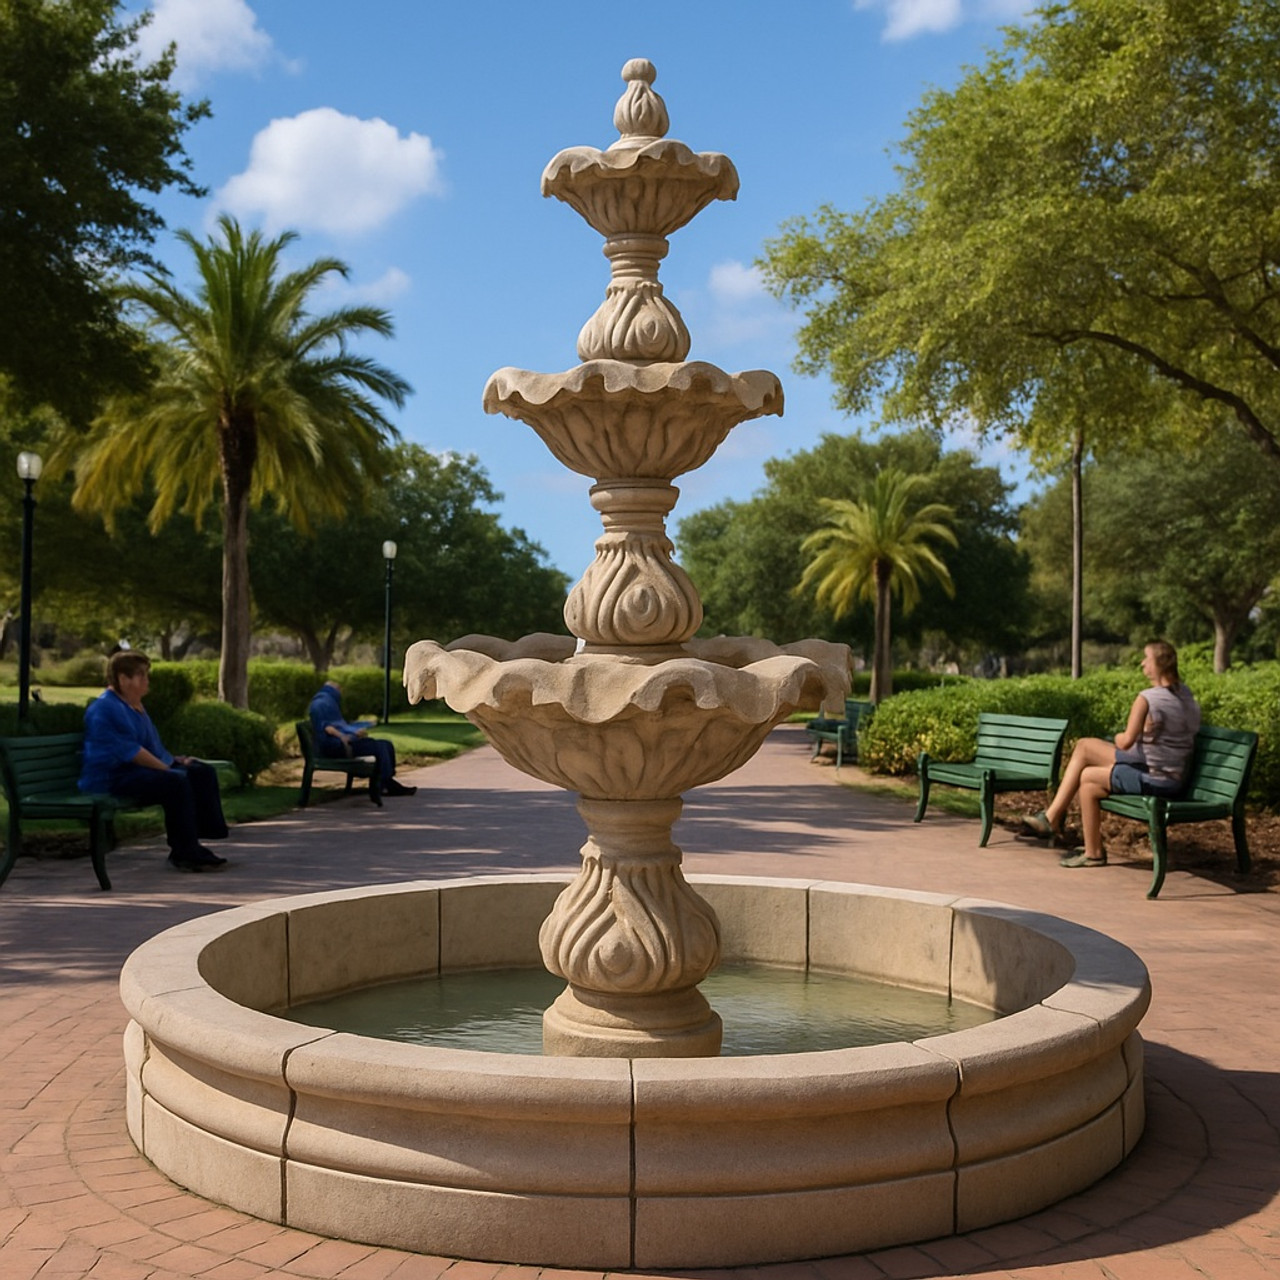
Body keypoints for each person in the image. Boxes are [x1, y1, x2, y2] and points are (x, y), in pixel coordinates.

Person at [1023, 640, 1201, 868]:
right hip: (1171, 771)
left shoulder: (1147, 698)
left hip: (1155, 775)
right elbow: (1182, 731)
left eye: (1146, 658)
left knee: (1086, 763)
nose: (1142, 663)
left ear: (1159, 664)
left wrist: (1119, 736)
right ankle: (1084, 844)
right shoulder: (1186, 695)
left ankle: (1061, 825)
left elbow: (1125, 742)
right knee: (1088, 774)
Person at [80, 651, 229, 873]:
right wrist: (168, 769)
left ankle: (200, 837)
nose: (147, 681)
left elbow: (152, 747)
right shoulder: (105, 709)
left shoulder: (134, 706)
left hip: (135, 771)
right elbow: (133, 752)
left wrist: (176, 761)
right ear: (123, 679)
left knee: (200, 772)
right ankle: (185, 852)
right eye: (141, 676)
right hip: (113, 778)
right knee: (175, 783)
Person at [307, 680, 417, 800]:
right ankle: (386, 784)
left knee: (386, 744)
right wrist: (344, 736)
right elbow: (327, 727)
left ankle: (386, 780)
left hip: (344, 742)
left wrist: (353, 731)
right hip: (337, 747)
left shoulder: (327, 702)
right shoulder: (320, 704)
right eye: (338, 690)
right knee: (379, 747)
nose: (340, 693)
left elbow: (338, 725)